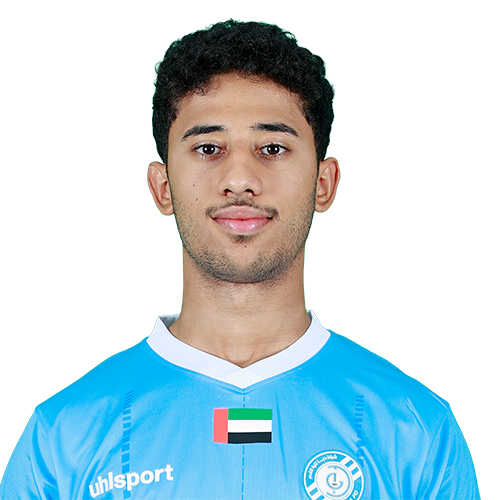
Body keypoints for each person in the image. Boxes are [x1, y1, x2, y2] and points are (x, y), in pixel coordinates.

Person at [1, 19, 479, 500]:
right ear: (162, 187)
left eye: (272, 147)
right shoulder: (61, 438)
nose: (239, 180)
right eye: (208, 148)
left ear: (324, 183)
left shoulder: (417, 430)